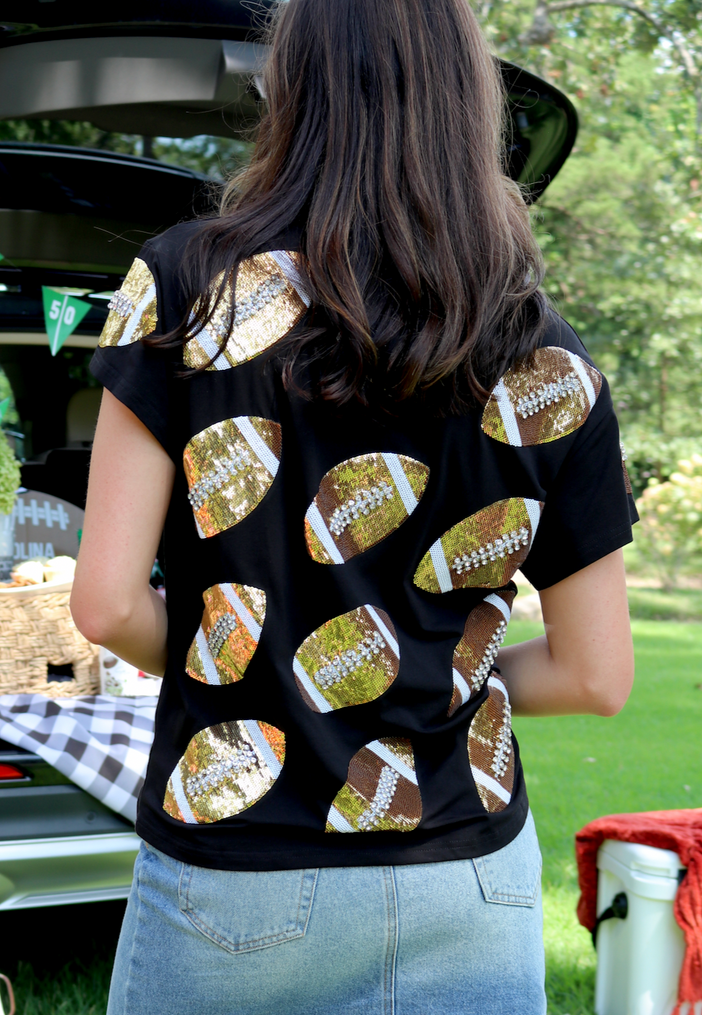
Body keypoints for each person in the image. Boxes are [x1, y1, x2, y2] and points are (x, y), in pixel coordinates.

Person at [70, 0, 636, 1011]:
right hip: (471, 883)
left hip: (236, 879)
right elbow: (595, 675)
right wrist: (431, 665)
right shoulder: (545, 352)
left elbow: (107, 605)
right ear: (467, 101)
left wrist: (262, 664)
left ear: (292, 91)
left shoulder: (184, 289)